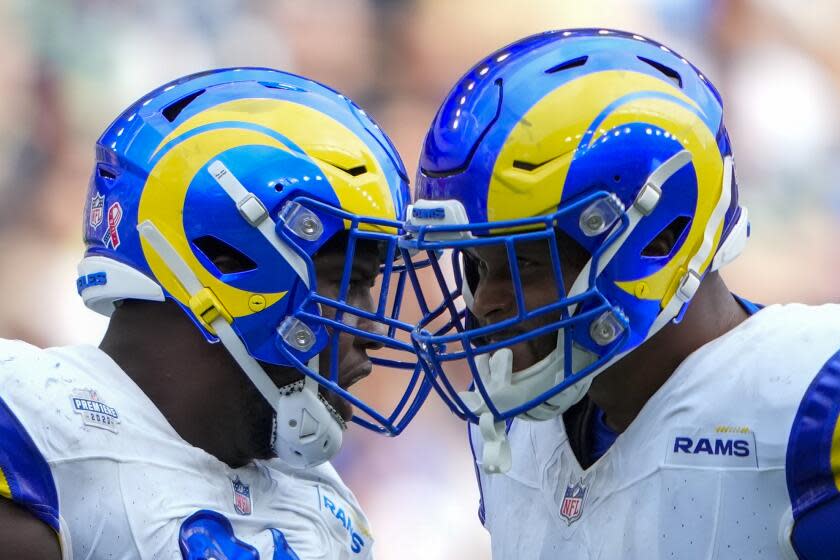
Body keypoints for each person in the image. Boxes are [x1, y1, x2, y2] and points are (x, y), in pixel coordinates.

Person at [400, 29, 840, 559]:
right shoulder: (513, 430)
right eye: (475, 267)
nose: (484, 304)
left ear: (655, 240)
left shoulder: (812, 401)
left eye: (526, 264)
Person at [0, 67, 428, 559]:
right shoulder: (36, 432)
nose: (372, 329)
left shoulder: (322, 506)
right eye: (348, 282)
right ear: (225, 264)